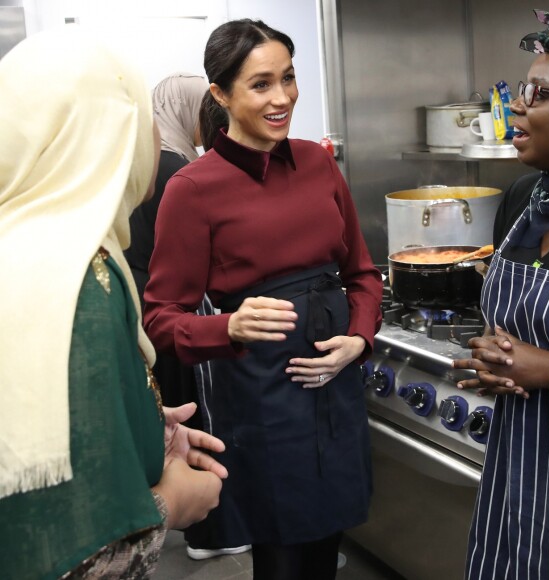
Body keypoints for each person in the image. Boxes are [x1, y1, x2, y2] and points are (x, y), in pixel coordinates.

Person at [143, 18, 383, 580]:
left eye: (289, 78)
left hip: (338, 390)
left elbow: (363, 274)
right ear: (220, 94)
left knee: (328, 545)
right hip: (264, 402)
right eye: (261, 84)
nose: (282, 98)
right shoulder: (193, 189)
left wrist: (359, 338)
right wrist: (227, 328)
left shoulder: (320, 163)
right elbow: (160, 319)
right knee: (280, 555)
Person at [0, 28, 227, 579]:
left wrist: (145, 426)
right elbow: (82, 551)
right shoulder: (81, 283)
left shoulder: (26, 248)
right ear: (107, 137)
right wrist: (173, 505)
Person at [452, 9, 549, 579]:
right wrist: (496, 357)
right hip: (518, 462)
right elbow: (510, 320)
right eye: (519, 89)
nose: (517, 105)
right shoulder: (524, 197)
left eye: (538, 93)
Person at [124, 72, 251, 561]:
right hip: (175, 307)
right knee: (199, 411)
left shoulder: (155, 158)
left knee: (175, 410)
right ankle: (211, 529)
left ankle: (197, 522)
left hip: (149, 305)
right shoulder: (177, 167)